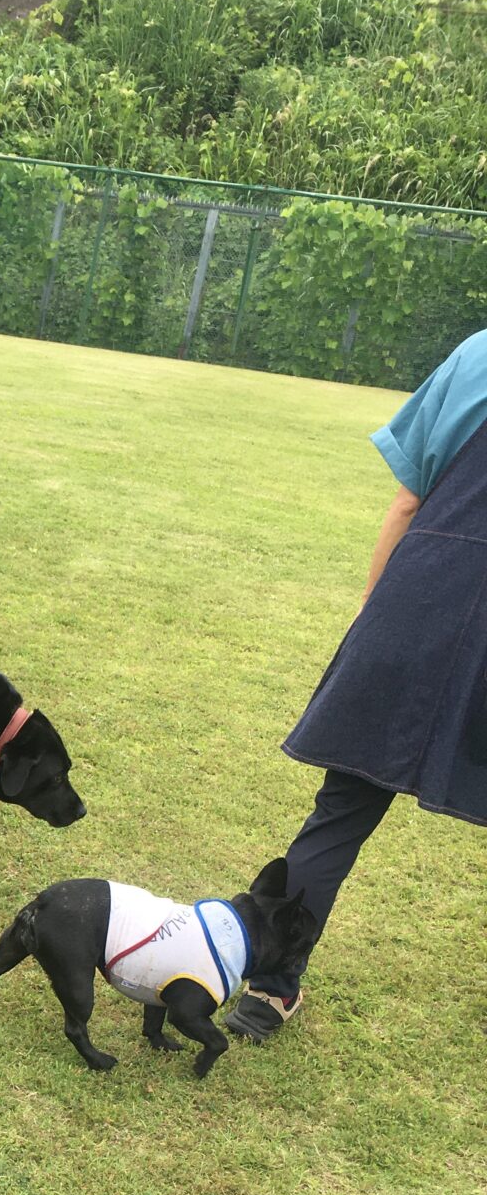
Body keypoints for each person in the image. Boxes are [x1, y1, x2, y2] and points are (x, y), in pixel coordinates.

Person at [226, 329, 487, 1041]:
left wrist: (377, 613)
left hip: (418, 599)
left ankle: (268, 991)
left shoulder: (476, 353)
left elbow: (407, 501)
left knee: (340, 811)